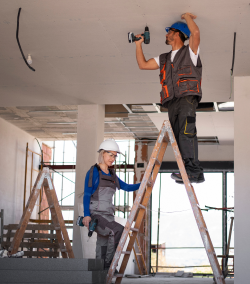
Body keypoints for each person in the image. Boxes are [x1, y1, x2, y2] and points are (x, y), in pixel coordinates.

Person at [134, 12, 204, 184]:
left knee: (186, 133)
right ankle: (188, 171)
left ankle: (193, 171)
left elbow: (195, 34)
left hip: (187, 98)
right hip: (172, 102)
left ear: (178, 34)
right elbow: (143, 65)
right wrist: (138, 44)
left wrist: (187, 17)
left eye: (169, 31)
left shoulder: (191, 52)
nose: (166, 34)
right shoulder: (164, 58)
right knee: (178, 137)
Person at [82, 139, 141, 270]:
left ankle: (100, 273)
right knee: (118, 230)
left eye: (115, 156)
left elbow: (126, 186)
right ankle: (109, 266)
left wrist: (143, 184)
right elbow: (87, 194)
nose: (113, 158)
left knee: (102, 245)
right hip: (97, 214)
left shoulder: (112, 175)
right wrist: (87, 215)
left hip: (108, 215)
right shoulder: (93, 172)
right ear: (103, 153)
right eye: (111, 155)